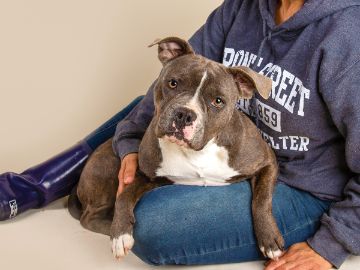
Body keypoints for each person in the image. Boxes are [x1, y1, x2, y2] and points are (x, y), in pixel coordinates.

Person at [1, 0, 359, 269]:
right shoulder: (243, 8)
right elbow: (180, 75)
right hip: (227, 138)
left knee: (155, 227)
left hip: (304, 188)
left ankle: (107, 195)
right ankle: (34, 186)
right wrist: (128, 148)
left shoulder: (347, 34)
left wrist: (331, 244)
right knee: (162, 104)